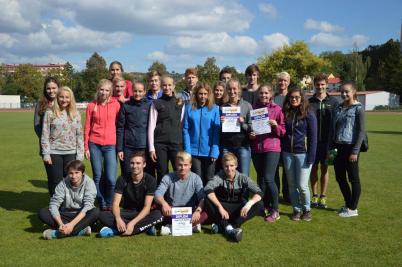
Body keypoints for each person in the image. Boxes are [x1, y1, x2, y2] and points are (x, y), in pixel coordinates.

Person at [98, 152, 163, 237]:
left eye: (138, 163)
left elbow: (147, 208)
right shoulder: (122, 179)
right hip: (128, 212)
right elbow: (115, 204)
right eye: (132, 163)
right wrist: (118, 219)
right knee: (102, 215)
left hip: (143, 213)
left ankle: (117, 231)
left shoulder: (151, 180)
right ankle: (145, 228)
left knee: (158, 215)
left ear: (144, 164)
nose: (135, 166)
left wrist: (132, 223)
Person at [204, 152, 264, 242]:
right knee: (207, 200)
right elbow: (208, 189)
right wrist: (220, 207)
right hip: (223, 208)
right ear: (223, 166)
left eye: (232, 165)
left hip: (238, 208)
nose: (229, 169)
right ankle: (229, 229)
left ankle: (228, 226)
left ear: (236, 165)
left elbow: (259, 192)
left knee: (259, 204)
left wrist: (249, 204)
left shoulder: (243, 177)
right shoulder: (219, 176)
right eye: (226, 166)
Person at [249, 84, 286, 222]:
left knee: (269, 178)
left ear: (270, 94)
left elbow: (283, 132)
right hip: (257, 149)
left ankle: (275, 209)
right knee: (261, 179)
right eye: (261, 93)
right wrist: (251, 135)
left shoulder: (277, 109)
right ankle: (263, 205)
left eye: (266, 93)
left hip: (272, 148)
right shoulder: (254, 109)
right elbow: (251, 130)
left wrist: (275, 126)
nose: (263, 95)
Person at [84, 79, 121, 211]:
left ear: (110, 92)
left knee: (111, 178)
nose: (104, 92)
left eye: (107, 90)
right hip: (94, 144)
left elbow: (119, 124)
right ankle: (102, 203)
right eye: (102, 89)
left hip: (111, 145)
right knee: (98, 176)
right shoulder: (91, 106)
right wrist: (86, 147)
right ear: (98, 90)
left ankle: (110, 203)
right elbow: (87, 127)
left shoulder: (116, 105)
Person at [39, 160, 99, 239]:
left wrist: (71, 225)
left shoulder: (89, 183)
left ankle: (58, 233)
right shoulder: (63, 184)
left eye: (77, 172)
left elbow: (87, 206)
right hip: (66, 214)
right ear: (68, 173)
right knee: (43, 212)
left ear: (82, 173)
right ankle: (78, 231)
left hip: (81, 214)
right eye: (71, 173)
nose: (74, 176)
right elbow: (54, 204)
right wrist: (61, 224)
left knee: (95, 212)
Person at [282, 88, 317, 221]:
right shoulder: (286, 113)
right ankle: (296, 209)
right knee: (292, 185)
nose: (294, 99)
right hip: (287, 154)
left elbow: (313, 137)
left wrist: (311, 157)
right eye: (291, 97)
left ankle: (307, 209)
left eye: (297, 97)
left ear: (302, 98)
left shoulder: (309, 113)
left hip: (303, 154)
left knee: (302, 185)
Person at [41, 86, 84, 196]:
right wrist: (46, 153)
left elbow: (79, 135)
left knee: (71, 181)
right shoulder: (50, 113)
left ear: (71, 98)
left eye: (67, 97)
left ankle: (68, 207)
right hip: (54, 153)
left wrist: (80, 155)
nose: (64, 100)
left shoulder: (76, 114)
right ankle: (56, 207)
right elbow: (45, 134)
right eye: (61, 97)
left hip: (71, 152)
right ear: (57, 98)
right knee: (56, 182)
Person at [332, 82, 365, 217]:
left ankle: (353, 208)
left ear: (354, 92)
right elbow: (333, 129)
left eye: (347, 92)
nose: (344, 94)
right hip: (338, 147)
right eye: (342, 92)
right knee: (340, 177)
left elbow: (362, 131)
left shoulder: (358, 108)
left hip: (351, 147)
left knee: (353, 178)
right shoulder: (339, 108)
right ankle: (348, 204)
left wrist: (355, 151)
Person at [154, 151, 207, 235]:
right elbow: (157, 194)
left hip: (189, 212)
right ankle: (192, 226)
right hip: (172, 211)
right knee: (156, 210)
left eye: (185, 165)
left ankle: (170, 228)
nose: (183, 168)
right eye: (180, 165)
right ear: (175, 165)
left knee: (206, 212)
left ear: (190, 165)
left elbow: (202, 197)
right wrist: (164, 204)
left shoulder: (196, 178)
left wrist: (198, 211)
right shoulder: (168, 177)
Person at [308, 74, 339, 208]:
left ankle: (323, 196)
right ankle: (314, 196)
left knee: (325, 169)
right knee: (313, 169)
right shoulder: (309, 102)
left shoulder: (334, 102)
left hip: (328, 143)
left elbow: (337, 122)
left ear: (326, 84)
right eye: (317, 84)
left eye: (322, 84)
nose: (320, 87)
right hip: (313, 142)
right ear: (314, 85)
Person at [148, 75, 185, 182]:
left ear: (174, 86)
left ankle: (176, 197)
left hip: (176, 143)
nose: (167, 87)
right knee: (162, 172)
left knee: (178, 171)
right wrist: (151, 148)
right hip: (160, 144)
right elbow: (151, 126)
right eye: (164, 85)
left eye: (169, 85)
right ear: (161, 86)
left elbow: (181, 124)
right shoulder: (156, 103)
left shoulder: (180, 103)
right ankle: (161, 198)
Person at [183, 82, 220, 185]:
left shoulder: (215, 109)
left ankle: (209, 201)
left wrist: (214, 150)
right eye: (200, 93)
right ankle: (199, 201)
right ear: (196, 94)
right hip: (193, 151)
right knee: (197, 178)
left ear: (208, 95)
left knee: (209, 178)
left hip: (209, 151)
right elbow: (185, 130)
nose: (202, 96)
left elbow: (216, 131)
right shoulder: (189, 108)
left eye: (205, 93)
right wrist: (187, 150)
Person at [117, 82, 151, 176]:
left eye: (140, 91)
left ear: (144, 92)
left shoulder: (149, 105)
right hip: (128, 147)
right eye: (135, 91)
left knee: (144, 174)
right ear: (132, 91)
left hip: (144, 146)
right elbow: (120, 128)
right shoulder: (126, 106)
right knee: (127, 173)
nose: (137, 93)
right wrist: (120, 148)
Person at [220, 79, 252, 176]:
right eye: (229, 89)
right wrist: (220, 123)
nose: (232, 91)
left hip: (243, 146)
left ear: (239, 90)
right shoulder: (222, 108)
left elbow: (252, 127)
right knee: (227, 175)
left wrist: (243, 123)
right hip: (227, 146)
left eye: (234, 89)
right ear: (226, 90)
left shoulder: (247, 106)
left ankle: (245, 192)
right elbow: (219, 130)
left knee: (244, 176)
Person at [273, 71, 291, 202]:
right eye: (280, 80)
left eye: (285, 80)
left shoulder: (292, 97)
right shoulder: (272, 97)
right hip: (274, 136)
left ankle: (287, 193)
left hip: (289, 136)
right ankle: (275, 193)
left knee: (287, 167)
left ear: (288, 82)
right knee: (274, 167)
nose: (282, 83)